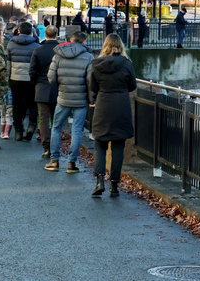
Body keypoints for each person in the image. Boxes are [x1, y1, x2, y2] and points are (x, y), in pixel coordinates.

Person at [89, 34, 138, 198]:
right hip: (121, 108)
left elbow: (93, 87)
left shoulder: (97, 64)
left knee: (100, 146)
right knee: (118, 147)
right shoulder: (127, 64)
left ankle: (99, 181)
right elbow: (132, 85)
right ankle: (115, 185)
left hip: (103, 107)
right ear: (121, 46)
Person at [45, 30, 93, 174]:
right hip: (81, 99)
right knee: (77, 130)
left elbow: (51, 77)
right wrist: (91, 99)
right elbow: (90, 81)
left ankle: (54, 161)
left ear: (71, 40)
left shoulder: (58, 55)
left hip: (63, 97)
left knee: (56, 128)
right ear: (84, 42)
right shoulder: (88, 57)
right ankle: (72, 164)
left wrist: (61, 86)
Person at [30, 25, 60, 159]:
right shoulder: (60, 51)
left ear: (45, 35)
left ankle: (46, 146)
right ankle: (55, 146)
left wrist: (35, 82)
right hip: (57, 87)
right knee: (56, 119)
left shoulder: (38, 50)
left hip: (41, 87)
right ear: (57, 35)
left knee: (43, 118)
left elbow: (32, 71)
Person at [8, 22, 40, 142]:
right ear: (31, 32)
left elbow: (8, 65)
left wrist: (8, 81)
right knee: (32, 104)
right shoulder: (36, 47)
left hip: (15, 79)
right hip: (30, 80)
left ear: (19, 31)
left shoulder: (11, 45)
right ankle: (31, 126)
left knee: (17, 106)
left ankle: (18, 131)